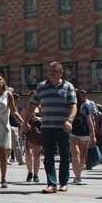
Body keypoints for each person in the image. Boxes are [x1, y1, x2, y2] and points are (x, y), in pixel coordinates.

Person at [28, 61, 77, 193]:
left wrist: (69, 120)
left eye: (54, 71)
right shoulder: (41, 87)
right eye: (49, 71)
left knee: (65, 155)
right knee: (48, 155)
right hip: (47, 126)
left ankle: (64, 183)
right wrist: (24, 121)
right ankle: (51, 183)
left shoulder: (68, 87)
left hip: (63, 126)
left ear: (61, 72)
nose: (51, 74)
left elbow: (73, 106)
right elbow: (32, 105)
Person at [69, 89, 97, 185]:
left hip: (85, 133)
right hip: (73, 133)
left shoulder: (85, 107)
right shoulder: (70, 106)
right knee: (75, 154)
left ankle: (78, 175)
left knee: (82, 156)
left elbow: (90, 121)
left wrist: (93, 135)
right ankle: (77, 176)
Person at [25, 96, 43, 183]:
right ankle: (30, 172)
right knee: (29, 153)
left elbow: (48, 118)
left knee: (37, 155)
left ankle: (36, 174)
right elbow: (21, 118)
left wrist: (39, 118)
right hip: (29, 132)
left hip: (39, 133)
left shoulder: (42, 108)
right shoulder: (27, 108)